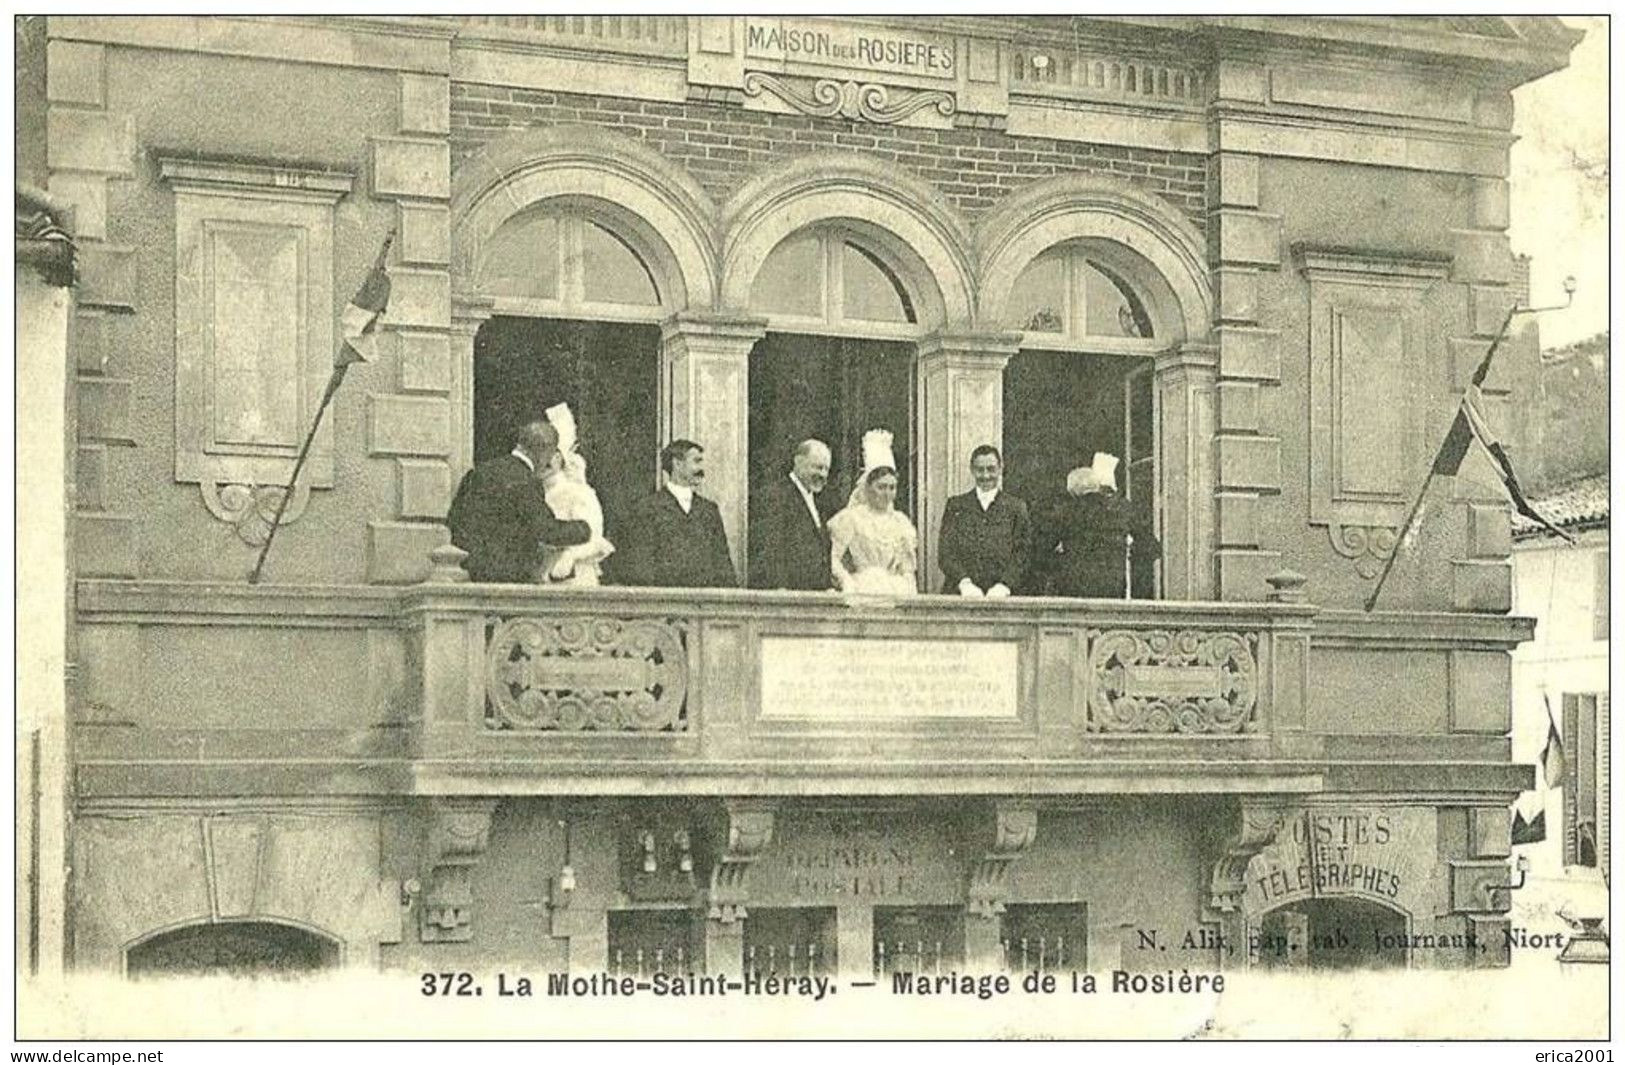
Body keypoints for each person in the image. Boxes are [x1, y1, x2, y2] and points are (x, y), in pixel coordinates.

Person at [445, 420, 592, 583]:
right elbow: (544, 529)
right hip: (512, 580)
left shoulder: (478, 473)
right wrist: (582, 530)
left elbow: (454, 520)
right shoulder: (527, 481)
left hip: (474, 577)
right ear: (544, 452)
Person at [1036, 451, 1160, 599]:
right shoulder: (1121, 510)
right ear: (1097, 486)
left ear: (1072, 492)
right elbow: (1151, 547)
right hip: (1113, 589)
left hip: (1072, 590)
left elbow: (1042, 550)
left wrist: (1061, 560)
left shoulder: (1066, 512)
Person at [616, 439, 737, 588]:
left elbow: (723, 565)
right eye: (696, 461)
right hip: (665, 603)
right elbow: (642, 568)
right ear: (677, 464)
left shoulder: (709, 510)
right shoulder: (647, 508)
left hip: (704, 605)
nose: (702, 468)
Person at [828, 429, 918, 596]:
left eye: (892, 487)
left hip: (895, 592)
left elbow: (907, 569)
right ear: (868, 488)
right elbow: (832, 559)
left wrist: (908, 591)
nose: (887, 493)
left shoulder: (901, 522)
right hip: (862, 589)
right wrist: (847, 581)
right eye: (881, 487)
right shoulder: (852, 518)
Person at [535, 403, 614, 586]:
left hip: (576, 577)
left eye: (553, 455)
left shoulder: (579, 492)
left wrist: (570, 555)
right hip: (542, 575)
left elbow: (595, 539)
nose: (546, 461)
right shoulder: (532, 493)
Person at [936, 444, 1030, 598]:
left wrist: (1005, 584)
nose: (986, 476)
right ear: (972, 470)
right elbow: (945, 553)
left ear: (1000, 469)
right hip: (961, 595)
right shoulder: (956, 506)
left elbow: (1023, 554)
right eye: (980, 470)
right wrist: (964, 582)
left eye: (991, 469)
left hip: (1004, 597)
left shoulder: (1016, 507)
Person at [750, 438, 835, 591]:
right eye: (817, 467)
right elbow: (771, 548)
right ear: (798, 462)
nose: (822, 474)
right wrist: (779, 589)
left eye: (826, 469)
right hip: (789, 598)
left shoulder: (818, 501)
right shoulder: (776, 495)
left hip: (814, 598)